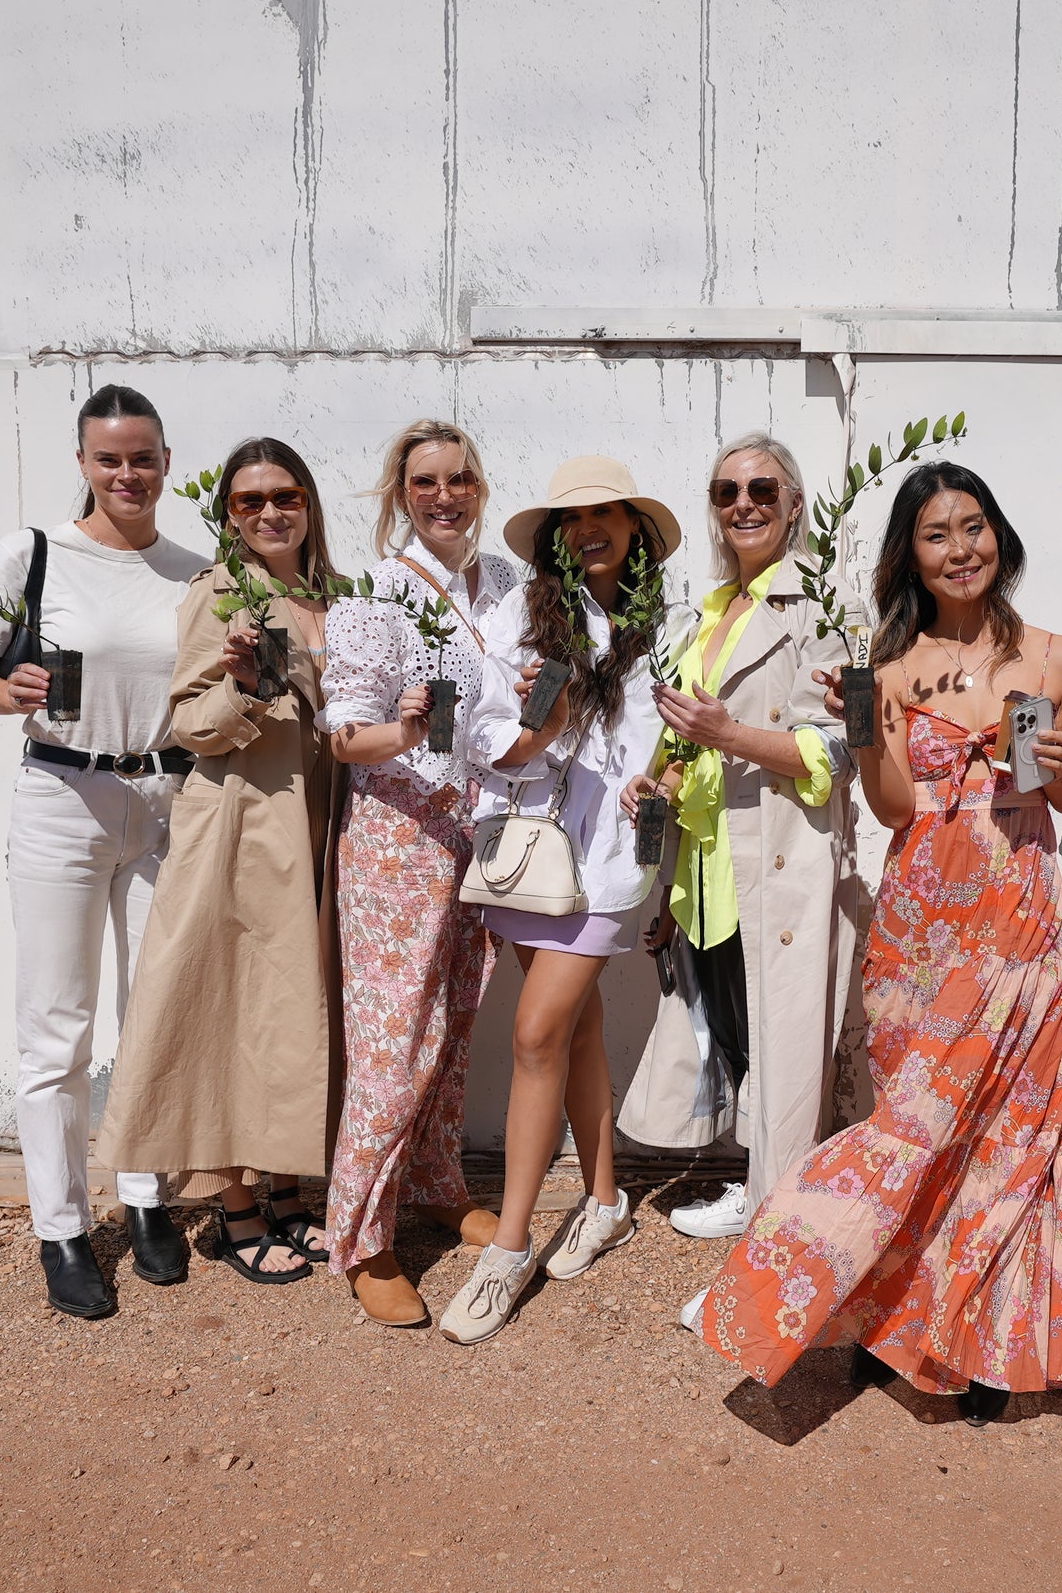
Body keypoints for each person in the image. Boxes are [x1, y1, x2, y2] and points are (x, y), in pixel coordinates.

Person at [696, 462, 1062, 1426]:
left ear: (999, 534)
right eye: (936, 534)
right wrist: (865, 728)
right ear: (909, 556)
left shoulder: (1058, 656)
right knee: (914, 1126)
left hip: (1018, 915)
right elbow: (889, 808)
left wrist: (1050, 768)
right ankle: (889, 1316)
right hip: (920, 923)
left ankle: (991, 1340)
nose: (961, 549)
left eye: (974, 527)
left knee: (1012, 1134)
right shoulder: (887, 669)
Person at [0, 384, 210, 1320]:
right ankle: (60, 1227)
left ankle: (146, 1204)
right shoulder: (36, 553)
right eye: (109, 459)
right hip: (61, 794)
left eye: (143, 457)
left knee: (157, 1013)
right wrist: (7, 688)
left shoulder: (196, 571)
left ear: (168, 462)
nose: (127, 474)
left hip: (166, 797)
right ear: (84, 463)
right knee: (57, 1025)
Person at [611, 432, 866, 1331]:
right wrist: (663, 776)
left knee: (792, 1063)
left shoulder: (823, 608)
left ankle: (772, 1259)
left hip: (781, 864)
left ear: (796, 504)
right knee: (746, 1044)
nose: (744, 504)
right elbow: (693, 739)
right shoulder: (706, 610)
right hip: (714, 865)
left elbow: (835, 752)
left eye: (763, 488)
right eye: (726, 491)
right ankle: (761, 1198)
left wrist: (724, 736)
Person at [436, 457, 678, 1346]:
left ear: (635, 527)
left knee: (535, 1032)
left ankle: (506, 1248)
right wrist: (552, 722)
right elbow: (489, 737)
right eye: (573, 518)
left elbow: (678, 739)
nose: (591, 529)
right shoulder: (522, 615)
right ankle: (606, 1199)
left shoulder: (670, 623)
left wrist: (663, 793)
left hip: (612, 857)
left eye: (609, 512)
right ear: (554, 537)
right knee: (570, 1030)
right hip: (532, 854)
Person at [97, 437, 343, 1285]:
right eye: (249, 501)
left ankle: (285, 1187)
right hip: (243, 826)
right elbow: (192, 723)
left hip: (313, 825)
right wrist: (245, 686)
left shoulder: (332, 597)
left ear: (309, 502)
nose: (270, 512)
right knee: (234, 1007)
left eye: (285, 495)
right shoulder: (222, 595)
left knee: (289, 1011)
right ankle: (237, 1204)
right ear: (229, 516)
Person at [319, 421, 519, 1326]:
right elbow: (345, 735)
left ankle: (436, 1182)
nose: (445, 495)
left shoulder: (502, 586)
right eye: (427, 481)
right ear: (401, 494)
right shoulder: (375, 596)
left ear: (481, 487)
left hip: (473, 833)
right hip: (399, 839)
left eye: (461, 478)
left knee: (456, 1022)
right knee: (394, 1045)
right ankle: (361, 1235)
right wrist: (403, 730)